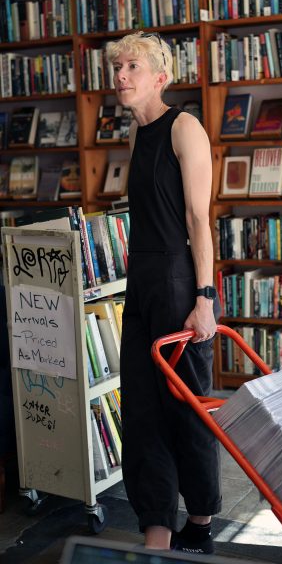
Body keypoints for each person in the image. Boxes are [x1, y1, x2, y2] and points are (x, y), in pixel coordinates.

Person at [105, 31, 222, 553]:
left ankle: (198, 523)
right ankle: (156, 526)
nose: (121, 75)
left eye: (132, 66)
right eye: (117, 67)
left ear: (160, 76)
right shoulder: (135, 135)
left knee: (186, 405)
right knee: (143, 409)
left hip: (179, 279)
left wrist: (205, 297)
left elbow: (200, 219)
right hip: (142, 281)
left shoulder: (185, 127)